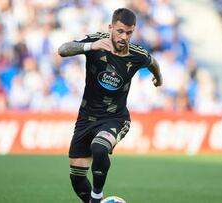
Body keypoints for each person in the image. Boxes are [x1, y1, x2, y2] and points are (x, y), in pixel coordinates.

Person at [58, 8, 163, 203]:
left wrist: (158, 79)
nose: (124, 37)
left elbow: (153, 63)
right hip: (86, 118)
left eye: (129, 33)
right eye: (120, 31)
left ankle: (98, 195)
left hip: (115, 118)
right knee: (77, 177)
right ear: (111, 27)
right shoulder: (96, 41)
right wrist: (91, 46)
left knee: (99, 147)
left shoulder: (137, 54)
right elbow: (63, 50)